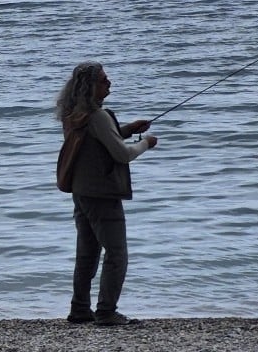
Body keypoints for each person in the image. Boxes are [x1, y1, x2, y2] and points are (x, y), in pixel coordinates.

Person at [55, 61, 158, 327]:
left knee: (87, 254)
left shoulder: (74, 114)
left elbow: (97, 140)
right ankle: (106, 311)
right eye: (103, 80)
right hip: (102, 194)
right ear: (90, 87)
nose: (109, 83)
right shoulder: (98, 116)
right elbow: (122, 154)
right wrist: (146, 143)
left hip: (82, 192)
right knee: (117, 254)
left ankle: (80, 309)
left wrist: (127, 130)